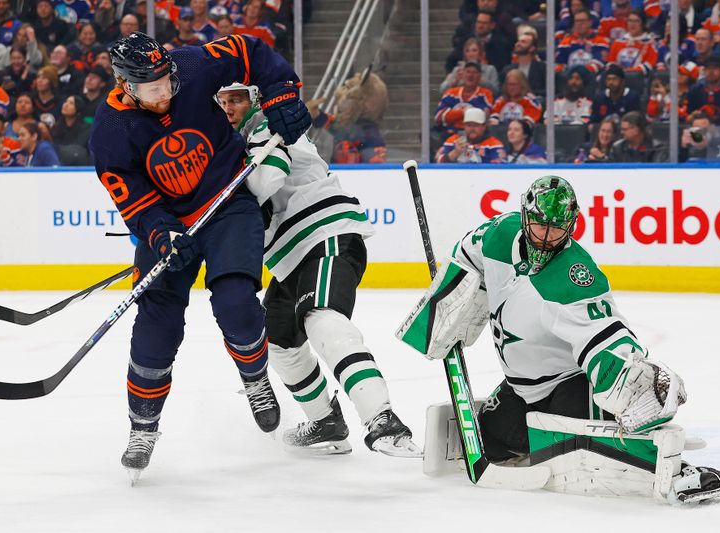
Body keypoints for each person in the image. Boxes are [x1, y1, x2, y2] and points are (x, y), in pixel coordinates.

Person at [399, 175, 720, 503]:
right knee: (487, 441)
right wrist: (444, 308)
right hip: (521, 390)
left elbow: (605, 335)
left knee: (597, 447)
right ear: (524, 215)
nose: (546, 238)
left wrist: (634, 378)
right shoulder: (498, 234)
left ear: (572, 226)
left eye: (557, 230)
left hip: (570, 388)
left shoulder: (574, 276)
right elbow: (466, 256)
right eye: (538, 226)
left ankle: (679, 469)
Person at [88, 32, 311, 482]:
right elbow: (132, 199)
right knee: (157, 324)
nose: (165, 91)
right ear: (126, 86)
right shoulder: (109, 132)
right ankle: (143, 427)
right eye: (152, 88)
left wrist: (282, 93)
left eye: (167, 81)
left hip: (228, 205)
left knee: (236, 303)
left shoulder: (188, 65)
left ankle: (255, 380)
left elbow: (250, 51)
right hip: (169, 221)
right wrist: (160, 232)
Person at [214, 82, 420, 457]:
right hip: (290, 259)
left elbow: (265, 179)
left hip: (324, 235)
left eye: (237, 99)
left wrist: (219, 204)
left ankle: (382, 417)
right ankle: (326, 420)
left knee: (321, 318)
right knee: (276, 342)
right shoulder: (231, 148)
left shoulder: (267, 127)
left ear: (254, 99)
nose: (229, 107)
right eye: (223, 101)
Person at [434, 61, 494, 136]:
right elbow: (438, 116)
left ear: (479, 77)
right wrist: (462, 112)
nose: (470, 75)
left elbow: (482, 116)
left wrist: (452, 115)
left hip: (475, 136)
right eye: (468, 71)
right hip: (449, 134)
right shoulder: (450, 93)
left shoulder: (485, 94)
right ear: (462, 75)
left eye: (474, 72)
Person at [435, 106, 505, 163]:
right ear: (464, 126)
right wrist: (455, 153)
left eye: (476, 125)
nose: (472, 129)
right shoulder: (453, 140)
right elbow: (437, 163)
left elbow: (499, 169)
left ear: (484, 126)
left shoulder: (494, 144)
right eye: (469, 125)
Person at [555, 7, 609, 74]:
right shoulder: (565, 42)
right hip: (569, 79)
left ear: (590, 23)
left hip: (592, 78)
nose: (580, 24)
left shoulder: (600, 41)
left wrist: (580, 74)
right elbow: (560, 63)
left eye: (583, 20)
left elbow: (599, 63)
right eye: (577, 21)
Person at [606, 9, 658, 76]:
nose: (632, 24)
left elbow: (649, 66)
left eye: (636, 21)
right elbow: (611, 63)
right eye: (630, 21)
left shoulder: (650, 43)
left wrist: (629, 72)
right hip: (619, 80)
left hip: (640, 80)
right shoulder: (618, 42)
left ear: (643, 23)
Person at [502, 32, 546, 98]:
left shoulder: (542, 68)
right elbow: (502, 90)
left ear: (532, 48)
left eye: (523, 42)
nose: (518, 44)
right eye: (518, 41)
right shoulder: (507, 69)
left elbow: (548, 91)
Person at [51, 94, 91, 164]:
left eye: (71, 103)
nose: (66, 105)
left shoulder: (86, 128)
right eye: (66, 102)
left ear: (78, 109)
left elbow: (78, 148)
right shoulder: (56, 126)